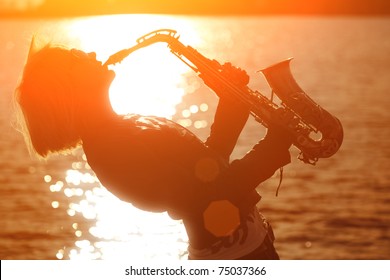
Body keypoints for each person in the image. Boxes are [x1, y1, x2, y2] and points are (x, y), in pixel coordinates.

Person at [14, 39, 293, 260]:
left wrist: (233, 102)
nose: (91, 54)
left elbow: (210, 167)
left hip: (250, 248)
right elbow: (210, 197)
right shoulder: (111, 149)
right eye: (78, 58)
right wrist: (275, 144)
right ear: (69, 89)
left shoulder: (125, 125)